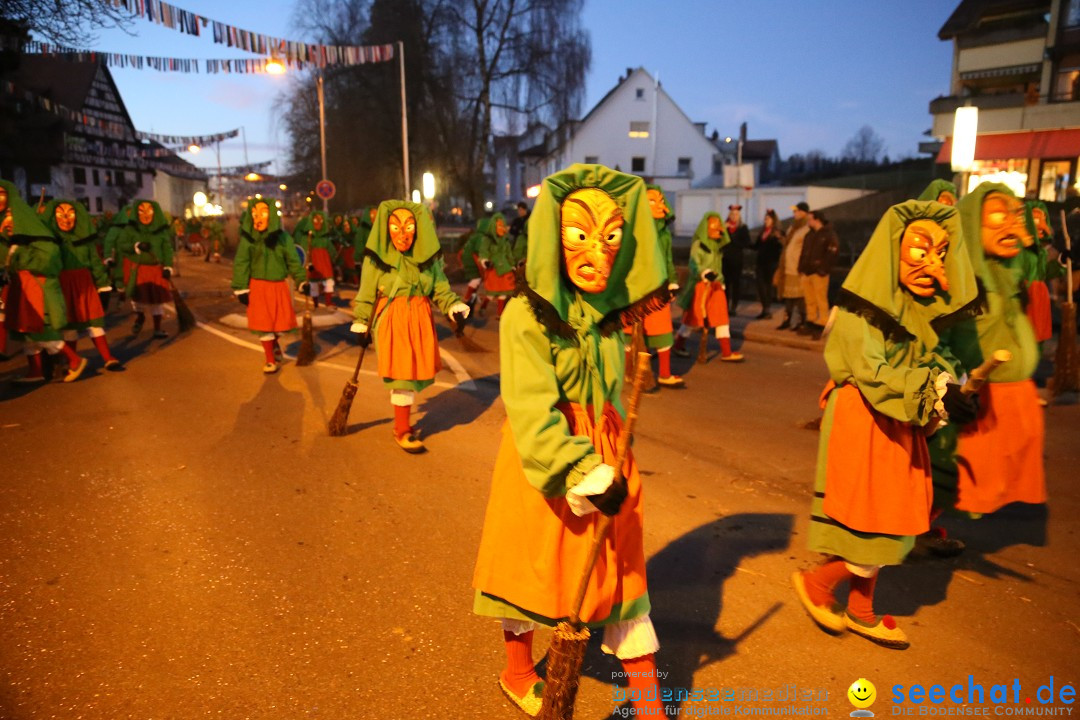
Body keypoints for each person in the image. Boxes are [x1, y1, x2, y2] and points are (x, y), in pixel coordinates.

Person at [473, 164, 667, 718]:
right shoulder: (524, 315)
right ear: (553, 240)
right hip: (550, 459)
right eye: (580, 236)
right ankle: (517, 671)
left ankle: (649, 705)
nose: (598, 254)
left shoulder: (609, 318)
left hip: (608, 450)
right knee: (533, 568)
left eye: (611, 237)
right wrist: (578, 469)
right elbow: (531, 407)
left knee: (621, 572)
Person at [793, 200, 979, 650]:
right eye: (920, 251)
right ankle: (819, 583)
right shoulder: (863, 306)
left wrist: (951, 384)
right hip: (867, 417)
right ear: (894, 248)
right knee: (881, 524)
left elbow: (931, 358)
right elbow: (871, 371)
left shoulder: (920, 305)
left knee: (887, 517)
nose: (932, 263)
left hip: (899, 420)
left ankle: (860, 610)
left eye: (941, 253)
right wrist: (932, 389)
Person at [946, 183, 1044, 516]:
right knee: (958, 479)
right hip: (982, 398)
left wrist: (1028, 235)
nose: (1010, 225)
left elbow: (1038, 267)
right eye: (998, 216)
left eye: (1015, 215)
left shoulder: (1005, 269)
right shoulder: (960, 276)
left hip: (1015, 397)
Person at [351, 200, 470, 453]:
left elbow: (440, 288)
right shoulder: (377, 258)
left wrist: (453, 306)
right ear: (386, 228)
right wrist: (362, 321)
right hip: (392, 317)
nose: (402, 234)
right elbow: (366, 292)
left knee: (415, 372)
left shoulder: (427, 257)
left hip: (420, 315)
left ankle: (402, 423)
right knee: (403, 375)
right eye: (395, 227)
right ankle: (402, 428)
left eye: (409, 226)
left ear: (419, 229)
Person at [1, 180, 88, 382]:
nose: (8, 223)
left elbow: (49, 262)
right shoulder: (11, 240)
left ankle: (73, 359)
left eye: (10, 218)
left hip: (35, 289)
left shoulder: (40, 239)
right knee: (25, 334)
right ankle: (36, 371)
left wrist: (22, 259)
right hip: (20, 288)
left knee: (38, 331)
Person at [232, 198, 309, 374]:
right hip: (257, 287)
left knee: (280, 325)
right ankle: (270, 359)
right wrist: (240, 287)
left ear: (272, 216)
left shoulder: (283, 239)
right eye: (254, 214)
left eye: (263, 213)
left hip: (278, 287)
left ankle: (274, 343)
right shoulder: (249, 239)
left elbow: (293, 261)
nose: (258, 217)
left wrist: (301, 280)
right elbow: (241, 263)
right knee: (263, 324)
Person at [42, 198, 120, 369]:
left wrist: (103, 284)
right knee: (69, 326)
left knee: (94, 321)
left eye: (70, 214)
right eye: (60, 214)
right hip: (62, 285)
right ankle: (71, 362)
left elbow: (95, 262)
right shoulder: (50, 242)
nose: (66, 219)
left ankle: (108, 357)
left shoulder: (85, 239)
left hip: (84, 284)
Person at [673, 212, 745, 362]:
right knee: (693, 319)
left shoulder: (717, 247)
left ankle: (726, 351)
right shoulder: (699, 245)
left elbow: (718, 266)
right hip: (700, 286)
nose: (718, 230)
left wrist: (721, 281)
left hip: (716, 286)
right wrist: (703, 273)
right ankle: (679, 344)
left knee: (721, 317)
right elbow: (693, 264)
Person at [635, 184, 682, 386]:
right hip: (637, 291)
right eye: (651, 201)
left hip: (659, 289)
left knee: (662, 331)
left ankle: (664, 372)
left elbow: (668, 259)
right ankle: (633, 373)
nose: (658, 205)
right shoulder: (634, 230)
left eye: (660, 201)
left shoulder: (664, 234)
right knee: (633, 335)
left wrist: (672, 282)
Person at [115, 198, 174, 339]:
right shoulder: (130, 229)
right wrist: (136, 246)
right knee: (138, 298)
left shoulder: (161, 231)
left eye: (149, 211)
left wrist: (168, 266)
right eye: (141, 211)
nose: (146, 215)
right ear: (136, 213)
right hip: (137, 268)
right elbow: (121, 245)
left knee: (157, 300)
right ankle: (140, 317)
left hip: (155, 269)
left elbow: (167, 249)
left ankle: (158, 328)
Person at [797, 209, 840, 340]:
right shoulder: (809, 235)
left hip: (818, 272)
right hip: (807, 271)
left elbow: (833, 252)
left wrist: (823, 269)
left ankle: (822, 324)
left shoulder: (828, 234)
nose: (808, 222)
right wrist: (801, 268)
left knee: (820, 299)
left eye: (809, 219)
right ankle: (811, 321)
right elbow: (804, 252)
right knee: (809, 299)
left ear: (817, 220)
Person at [776, 202, 809, 330]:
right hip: (787, 267)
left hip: (797, 268)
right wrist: (781, 238)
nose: (794, 213)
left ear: (803, 212)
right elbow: (788, 245)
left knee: (799, 297)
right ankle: (787, 320)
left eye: (796, 211)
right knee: (788, 295)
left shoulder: (806, 228)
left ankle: (802, 321)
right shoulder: (792, 228)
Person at [477, 212, 517, 318]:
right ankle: (483, 307)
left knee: (503, 293)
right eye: (499, 225)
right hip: (493, 269)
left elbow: (508, 253)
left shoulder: (505, 240)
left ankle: (500, 314)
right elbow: (483, 252)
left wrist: (512, 265)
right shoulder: (488, 239)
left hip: (505, 268)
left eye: (502, 225)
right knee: (491, 294)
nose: (501, 228)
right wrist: (485, 261)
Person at [302, 209, 335, 308]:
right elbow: (304, 252)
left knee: (328, 281)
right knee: (314, 283)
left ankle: (328, 302)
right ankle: (315, 303)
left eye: (320, 221)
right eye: (316, 221)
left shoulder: (325, 239)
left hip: (325, 264)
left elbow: (332, 251)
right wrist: (306, 264)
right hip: (314, 263)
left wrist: (335, 259)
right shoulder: (308, 238)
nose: (318, 223)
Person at [753, 209, 783, 319]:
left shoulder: (776, 233)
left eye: (768, 219)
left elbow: (779, 247)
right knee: (760, 286)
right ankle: (764, 308)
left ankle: (767, 309)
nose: (765, 221)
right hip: (760, 263)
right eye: (765, 219)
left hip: (771, 263)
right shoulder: (763, 232)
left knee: (768, 286)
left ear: (773, 220)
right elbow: (757, 246)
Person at [723, 204, 750, 315]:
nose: (734, 216)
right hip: (725, 259)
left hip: (737, 259)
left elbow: (746, 243)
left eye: (736, 214)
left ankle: (734, 306)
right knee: (726, 284)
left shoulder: (743, 228)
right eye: (732, 214)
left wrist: (734, 239)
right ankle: (725, 305)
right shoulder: (724, 227)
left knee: (736, 283)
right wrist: (723, 230)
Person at [459, 217, 490, 314]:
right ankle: (467, 300)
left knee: (475, 282)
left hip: (467, 260)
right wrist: (481, 269)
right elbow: (476, 254)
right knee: (475, 280)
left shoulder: (475, 236)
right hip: (472, 262)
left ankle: (470, 300)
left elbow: (461, 251)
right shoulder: (481, 237)